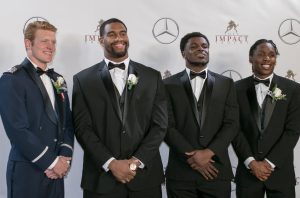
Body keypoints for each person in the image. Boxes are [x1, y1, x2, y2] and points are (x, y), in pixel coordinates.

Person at [72, 18, 167, 198]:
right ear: (101, 40)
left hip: (144, 179)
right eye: (112, 34)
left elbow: (160, 125)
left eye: (123, 33)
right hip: (101, 180)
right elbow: (83, 128)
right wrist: (111, 163)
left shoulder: (152, 77)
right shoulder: (83, 80)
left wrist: (135, 162)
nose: (119, 38)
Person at [0, 20, 74, 198]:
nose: (51, 46)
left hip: (56, 173)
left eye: (54, 42)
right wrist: (51, 162)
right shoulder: (12, 79)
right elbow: (17, 129)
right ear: (28, 43)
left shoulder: (59, 79)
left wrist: (63, 158)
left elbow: (67, 124)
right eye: (44, 41)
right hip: (28, 171)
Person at [163, 32, 239, 198]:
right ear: (183, 53)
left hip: (216, 170)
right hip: (181, 172)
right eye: (194, 46)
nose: (201, 49)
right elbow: (166, 125)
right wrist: (193, 157)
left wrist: (208, 152)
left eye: (205, 46)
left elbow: (232, 124)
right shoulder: (167, 84)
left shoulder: (226, 84)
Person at [232, 39, 300, 198]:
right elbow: (234, 129)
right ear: (250, 58)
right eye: (261, 54)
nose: (267, 58)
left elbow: (293, 131)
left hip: (281, 175)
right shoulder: (235, 89)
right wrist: (251, 162)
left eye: (271, 55)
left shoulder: (293, 89)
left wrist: (268, 163)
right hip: (248, 174)